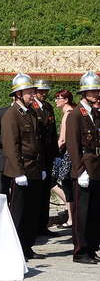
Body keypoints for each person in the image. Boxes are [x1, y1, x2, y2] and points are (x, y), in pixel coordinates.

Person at [1, 73, 46, 260]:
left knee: (31, 212)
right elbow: (11, 146)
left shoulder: (31, 113)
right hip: (20, 169)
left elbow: (37, 141)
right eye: (28, 92)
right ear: (18, 94)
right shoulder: (11, 115)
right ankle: (15, 249)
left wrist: (42, 166)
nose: (32, 95)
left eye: (32, 91)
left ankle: (27, 247)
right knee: (18, 213)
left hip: (34, 167)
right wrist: (18, 172)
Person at [66, 71, 100, 264]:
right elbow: (73, 145)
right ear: (84, 92)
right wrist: (80, 171)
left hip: (96, 167)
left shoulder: (95, 112)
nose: (96, 94)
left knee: (95, 212)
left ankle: (91, 248)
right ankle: (80, 251)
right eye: (92, 91)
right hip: (84, 169)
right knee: (82, 213)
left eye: (97, 90)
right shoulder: (76, 115)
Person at [32, 80, 59, 237]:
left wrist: (55, 153)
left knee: (45, 192)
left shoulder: (47, 107)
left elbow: (52, 131)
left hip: (48, 155)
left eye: (45, 91)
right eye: (41, 91)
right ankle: (35, 225)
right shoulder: (32, 108)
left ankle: (43, 224)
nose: (44, 94)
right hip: (38, 155)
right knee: (37, 192)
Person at [55, 89, 76, 228]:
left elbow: (62, 139)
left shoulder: (67, 115)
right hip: (70, 154)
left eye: (58, 97)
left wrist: (53, 152)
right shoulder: (71, 113)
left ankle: (71, 218)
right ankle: (71, 217)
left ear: (66, 100)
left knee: (67, 187)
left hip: (67, 155)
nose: (56, 100)